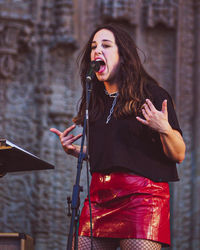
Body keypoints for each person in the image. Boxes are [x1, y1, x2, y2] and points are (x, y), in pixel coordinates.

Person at [50, 23, 186, 250]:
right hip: (99, 197)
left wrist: (164, 128)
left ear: (123, 56)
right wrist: (81, 151)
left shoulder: (151, 95)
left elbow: (179, 154)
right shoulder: (95, 100)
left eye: (106, 45)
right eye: (93, 46)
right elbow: (119, 151)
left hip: (141, 198)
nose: (97, 50)